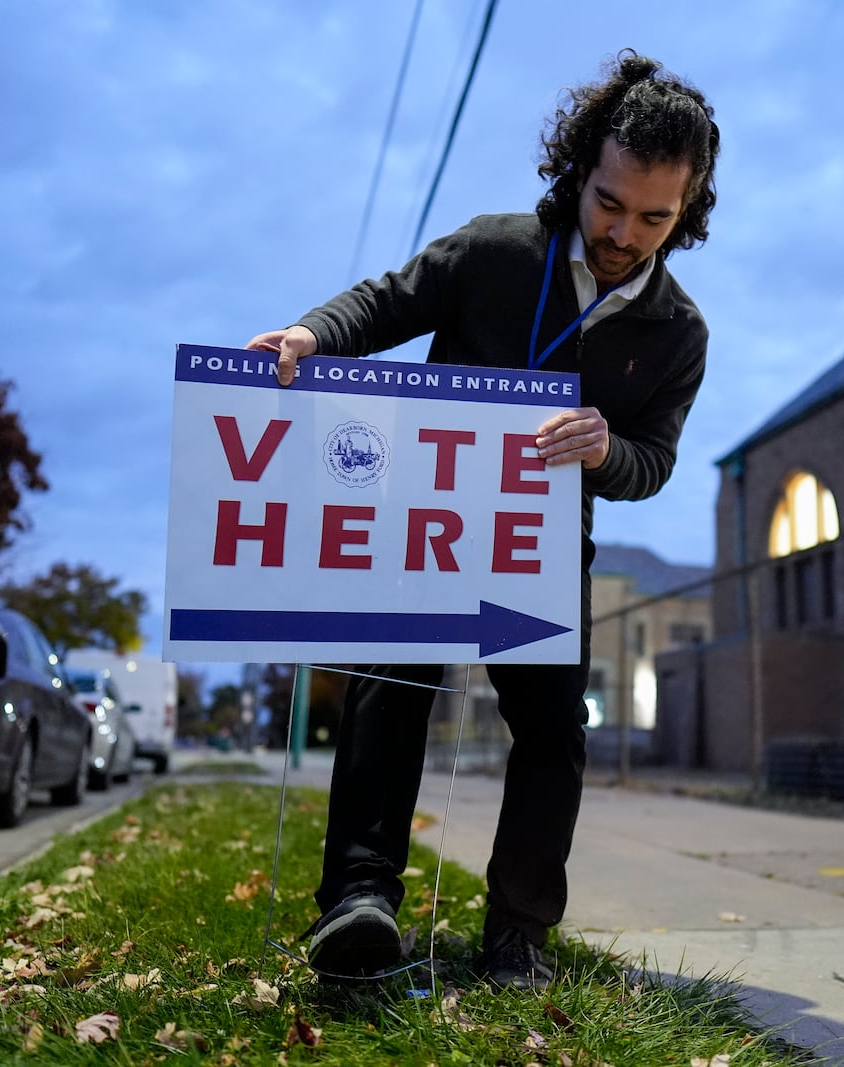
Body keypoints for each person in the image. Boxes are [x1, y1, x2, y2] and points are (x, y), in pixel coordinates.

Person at [246, 49, 718, 989]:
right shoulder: (496, 249)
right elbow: (385, 302)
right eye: (609, 202)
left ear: (690, 209)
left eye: (655, 216)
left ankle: (519, 934)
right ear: (580, 169)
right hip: (424, 517)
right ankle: (358, 899)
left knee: (551, 732)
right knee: (390, 685)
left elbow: (652, 464)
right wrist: (310, 333)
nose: (624, 231)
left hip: (540, 547)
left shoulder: (679, 334)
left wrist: (603, 451)